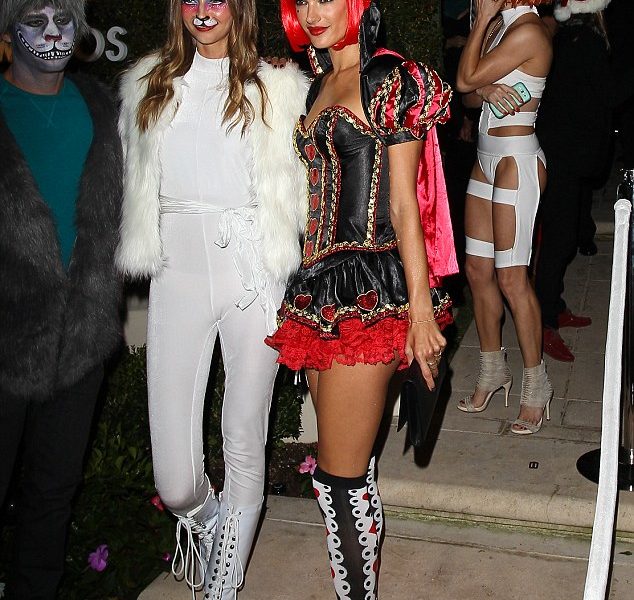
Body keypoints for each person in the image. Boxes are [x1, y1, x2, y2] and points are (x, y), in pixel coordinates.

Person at [115, 0, 308, 597]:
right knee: (175, 481)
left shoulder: (276, 86)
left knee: (244, 434)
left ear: (239, 8)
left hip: (254, 270)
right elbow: (130, 178)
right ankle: (213, 522)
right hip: (176, 270)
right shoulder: (146, 85)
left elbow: (303, 183)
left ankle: (225, 580)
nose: (203, 10)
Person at [267, 1, 456, 597]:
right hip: (319, 291)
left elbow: (405, 204)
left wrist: (421, 313)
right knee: (344, 473)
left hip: (371, 288)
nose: (313, 12)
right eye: (303, 0)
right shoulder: (315, 84)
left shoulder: (388, 78)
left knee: (339, 478)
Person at [0, 1, 123, 597]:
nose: (52, 33)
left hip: (83, 337)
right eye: (35, 20)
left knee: (53, 493)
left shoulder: (103, 107)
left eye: (64, 20)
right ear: (8, 28)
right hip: (5, 338)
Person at [455, 0, 554, 434]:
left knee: (512, 278)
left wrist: (479, 22)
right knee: (478, 271)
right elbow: (468, 94)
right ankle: (493, 370)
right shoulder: (500, 26)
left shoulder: (527, 30)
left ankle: (537, 384)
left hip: (517, 162)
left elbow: (465, 77)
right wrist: (488, 90)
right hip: (485, 159)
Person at [534, 0, 613, 362]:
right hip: (562, 155)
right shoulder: (583, 40)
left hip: (568, 154)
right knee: (558, 241)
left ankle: (554, 306)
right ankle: (543, 323)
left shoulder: (576, 37)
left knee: (562, 236)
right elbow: (602, 95)